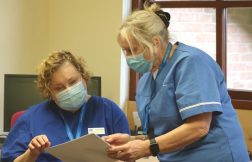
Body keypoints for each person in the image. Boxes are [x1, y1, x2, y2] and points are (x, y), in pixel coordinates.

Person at [103, 2, 250, 162]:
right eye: (125, 51)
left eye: (133, 49)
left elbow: (199, 127)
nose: (129, 57)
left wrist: (145, 148)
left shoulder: (192, 63)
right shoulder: (147, 79)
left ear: (156, 42)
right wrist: (130, 142)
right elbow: (162, 133)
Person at [0, 51, 130, 162]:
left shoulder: (109, 111)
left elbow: (130, 155)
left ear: (84, 77)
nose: (68, 90)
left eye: (73, 82)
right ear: (49, 91)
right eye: (59, 88)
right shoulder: (31, 118)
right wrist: (31, 154)